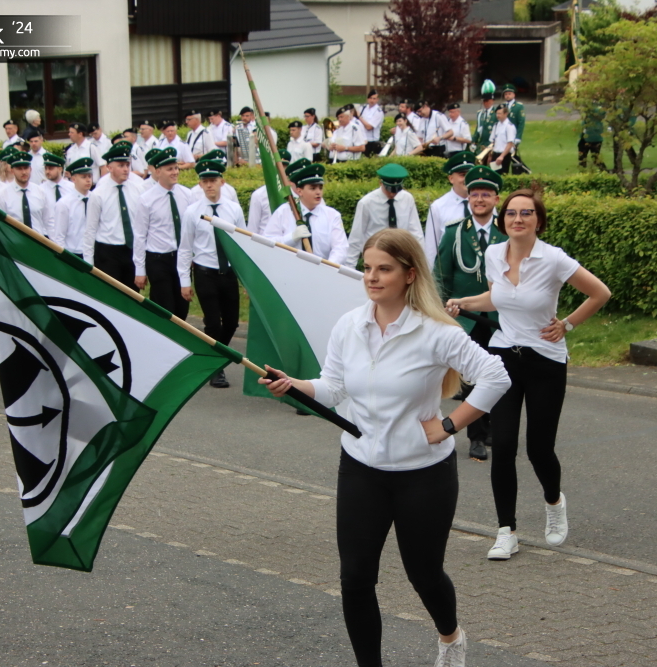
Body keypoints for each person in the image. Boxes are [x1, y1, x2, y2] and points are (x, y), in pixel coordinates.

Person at [260, 228, 510, 667]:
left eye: (384, 269)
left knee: (424, 575)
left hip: (424, 475)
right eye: (367, 268)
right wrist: (294, 384)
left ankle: (451, 637)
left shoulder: (437, 332)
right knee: (355, 578)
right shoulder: (349, 325)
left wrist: (449, 425)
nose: (372, 278)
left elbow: (496, 376)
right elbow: (333, 388)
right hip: (361, 468)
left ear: (410, 275)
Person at [445, 187, 611, 556]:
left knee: (539, 449)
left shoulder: (553, 259)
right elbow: (497, 298)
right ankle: (506, 530)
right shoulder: (493, 254)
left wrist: (567, 324)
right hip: (504, 358)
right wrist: (464, 302)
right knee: (503, 446)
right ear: (503, 220)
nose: (517, 219)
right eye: (511, 213)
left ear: (538, 221)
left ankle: (554, 501)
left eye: (526, 213)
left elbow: (600, 293)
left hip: (545, 361)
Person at [433, 166, 507, 462]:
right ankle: (476, 436)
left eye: (486, 195)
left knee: (501, 373)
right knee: (473, 376)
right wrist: (442, 311)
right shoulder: (454, 232)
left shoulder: (506, 231)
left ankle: (491, 427)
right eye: (474, 194)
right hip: (466, 318)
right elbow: (441, 276)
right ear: (468, 198)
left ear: (496, 199)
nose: (479, 199)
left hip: (501, 318)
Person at [177, 159, 246, 388]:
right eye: (205, 181)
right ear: (200, 184)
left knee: (232, 323)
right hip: (205, 273)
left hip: (228, 273)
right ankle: (217, 370)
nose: (209, 185)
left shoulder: (233, 209)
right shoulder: (192, 212)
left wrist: (246, 279)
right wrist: (184, 281)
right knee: (213, 324)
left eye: (213, 180)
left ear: (222, 182)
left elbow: (242, 245)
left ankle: (214, 358)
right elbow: (185, 248)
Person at [133, 148, 191, 321]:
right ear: (158, 172)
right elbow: (139, 235)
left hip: (181, 258)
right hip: (158, 259)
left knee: (182, 308)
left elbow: (191, 230)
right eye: (169, 169)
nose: (175, 172)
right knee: (165, 307)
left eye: (176, 168)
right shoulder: (146, 199)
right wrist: (140, 269)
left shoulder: (187, 195)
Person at [84, 141, 143, 288]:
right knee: (111, 292)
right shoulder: (99, 193)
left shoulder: (137, 188)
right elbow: (90, 229)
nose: (126, 169)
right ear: (109, 167)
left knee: (132, 293)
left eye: (127, 165)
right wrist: (88, 262)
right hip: (108, 251)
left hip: (131, 249)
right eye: (121, 166)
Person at [264, 161, 347, 264]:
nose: (318, 192)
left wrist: (327, 267)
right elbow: (267, 243)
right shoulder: (283, 212)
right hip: (289, 269)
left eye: (320, 188)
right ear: (299, 191)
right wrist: (291, 238)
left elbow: (340, 248)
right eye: (313, 188)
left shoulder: (332, 215)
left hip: (322, 270)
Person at [346, 164, 423, 268]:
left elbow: (416, 232)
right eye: (389, 189)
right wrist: (349, 267)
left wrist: (421, 262)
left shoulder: (407, 198)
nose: (392, 194)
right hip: (375, 255)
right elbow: (356, 236)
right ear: (380, 183)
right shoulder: (367, 203)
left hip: (401, 254)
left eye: (396, 190)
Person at [425, 151, 474, 268]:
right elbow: (431, 247)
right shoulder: (438, 207)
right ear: (451, 178)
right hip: (450, 267)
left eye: (470, 174)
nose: (467, 179)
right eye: (462, 175)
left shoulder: (485, 204)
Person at [5, 150, 53, 237]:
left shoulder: (40, 192)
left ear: (30, 169)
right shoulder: (3, 194)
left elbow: (49, 222)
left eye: (26, 168)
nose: (24, 172)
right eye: (19, 169)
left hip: (38, 241)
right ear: (12, 171)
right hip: (15, 241)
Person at [52, 157, 93, 256]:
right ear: (74, 179)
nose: (88, 180)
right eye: (83, 177)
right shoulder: (64, 203)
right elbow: (59, 235)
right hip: (74, 253)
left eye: (89, 176)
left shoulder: (96, 199)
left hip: (94, 251)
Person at [247, 150, 292, 236]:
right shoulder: (259, 195)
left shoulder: (294, 193)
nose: (280, 170)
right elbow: (252, 229)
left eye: (284, 167)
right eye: (277, 166)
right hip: (264, 241)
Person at [489, 105, 516, 175]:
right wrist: (490, 155)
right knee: (493, 175)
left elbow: (510, 143)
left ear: (505, 114)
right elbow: (493, 141)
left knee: (503, 175)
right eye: (497, 113)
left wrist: (502, 156)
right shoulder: (496, 125)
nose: (498, 115)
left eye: (500, 113)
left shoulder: (509, 126)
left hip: (504, 155)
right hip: (495, 154)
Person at [357, 90, 384, 157]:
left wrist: (359, 117)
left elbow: (369, 127)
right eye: (370, 98)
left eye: (374, 98)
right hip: (362, 140)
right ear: (367, 99)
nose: (372, 100)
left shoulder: (378, 112)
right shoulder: (363, 108)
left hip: (372, 141)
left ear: (377, 100)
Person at [500, 84, 525, 149]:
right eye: (506, 94)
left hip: (513, 134)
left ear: (514, 95)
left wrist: (518, 137)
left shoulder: (518, 106)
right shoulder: (502, 106)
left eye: (509, 94)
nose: (507, 96)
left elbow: (521, 123)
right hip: (503, 135)